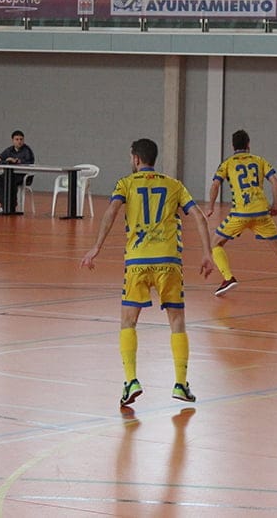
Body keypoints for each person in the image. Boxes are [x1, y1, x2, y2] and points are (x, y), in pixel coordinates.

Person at [80, 138, 213, 407]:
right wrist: (207, 253)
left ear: (136, 159)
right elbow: (198, 215)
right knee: (177, 322)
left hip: (137, 262)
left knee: (128, 322)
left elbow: (111, 212)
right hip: (168, 261)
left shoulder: (125, 184)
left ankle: (131, 381)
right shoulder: (174, 184)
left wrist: (97, 246)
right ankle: (180, 384)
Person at [206, 130, 277, 299]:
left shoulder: (227, 163)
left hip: (240, 213)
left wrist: (211, 206)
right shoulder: (259, 160)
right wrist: (275, 205)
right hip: (261, 212)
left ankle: (228, 278)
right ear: (248, 144)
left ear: (232, 146)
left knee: (215, 244)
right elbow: (276, 183)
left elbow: (215, 185)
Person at [0, 130, 35, 214]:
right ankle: (6, 206)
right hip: (9, 174)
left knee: (10, 181)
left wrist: (16, 161)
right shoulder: (9, 150)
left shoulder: (27, 150)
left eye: (21, 139)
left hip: (22, 175)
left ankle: (11, 206)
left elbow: (29, 163)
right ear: (13, 140)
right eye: (17, 139)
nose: (19, 141)